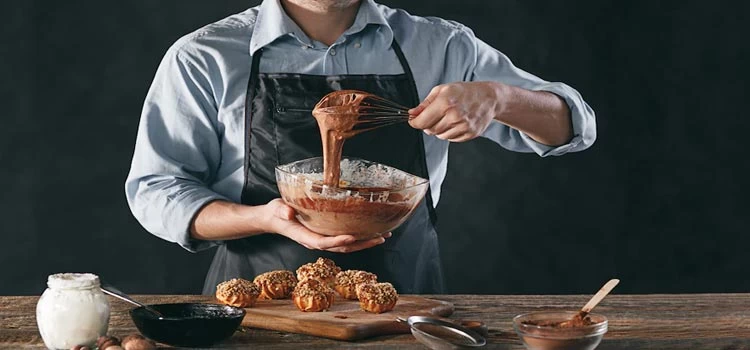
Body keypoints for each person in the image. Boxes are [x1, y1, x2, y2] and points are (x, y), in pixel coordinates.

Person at [125, 0, 596, 295]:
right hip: (259, 304)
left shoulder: (441, 45)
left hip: (406, 301)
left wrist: (500, 97)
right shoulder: (204, 55)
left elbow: (572, 126)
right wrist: (263, 218)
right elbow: (156, 188)